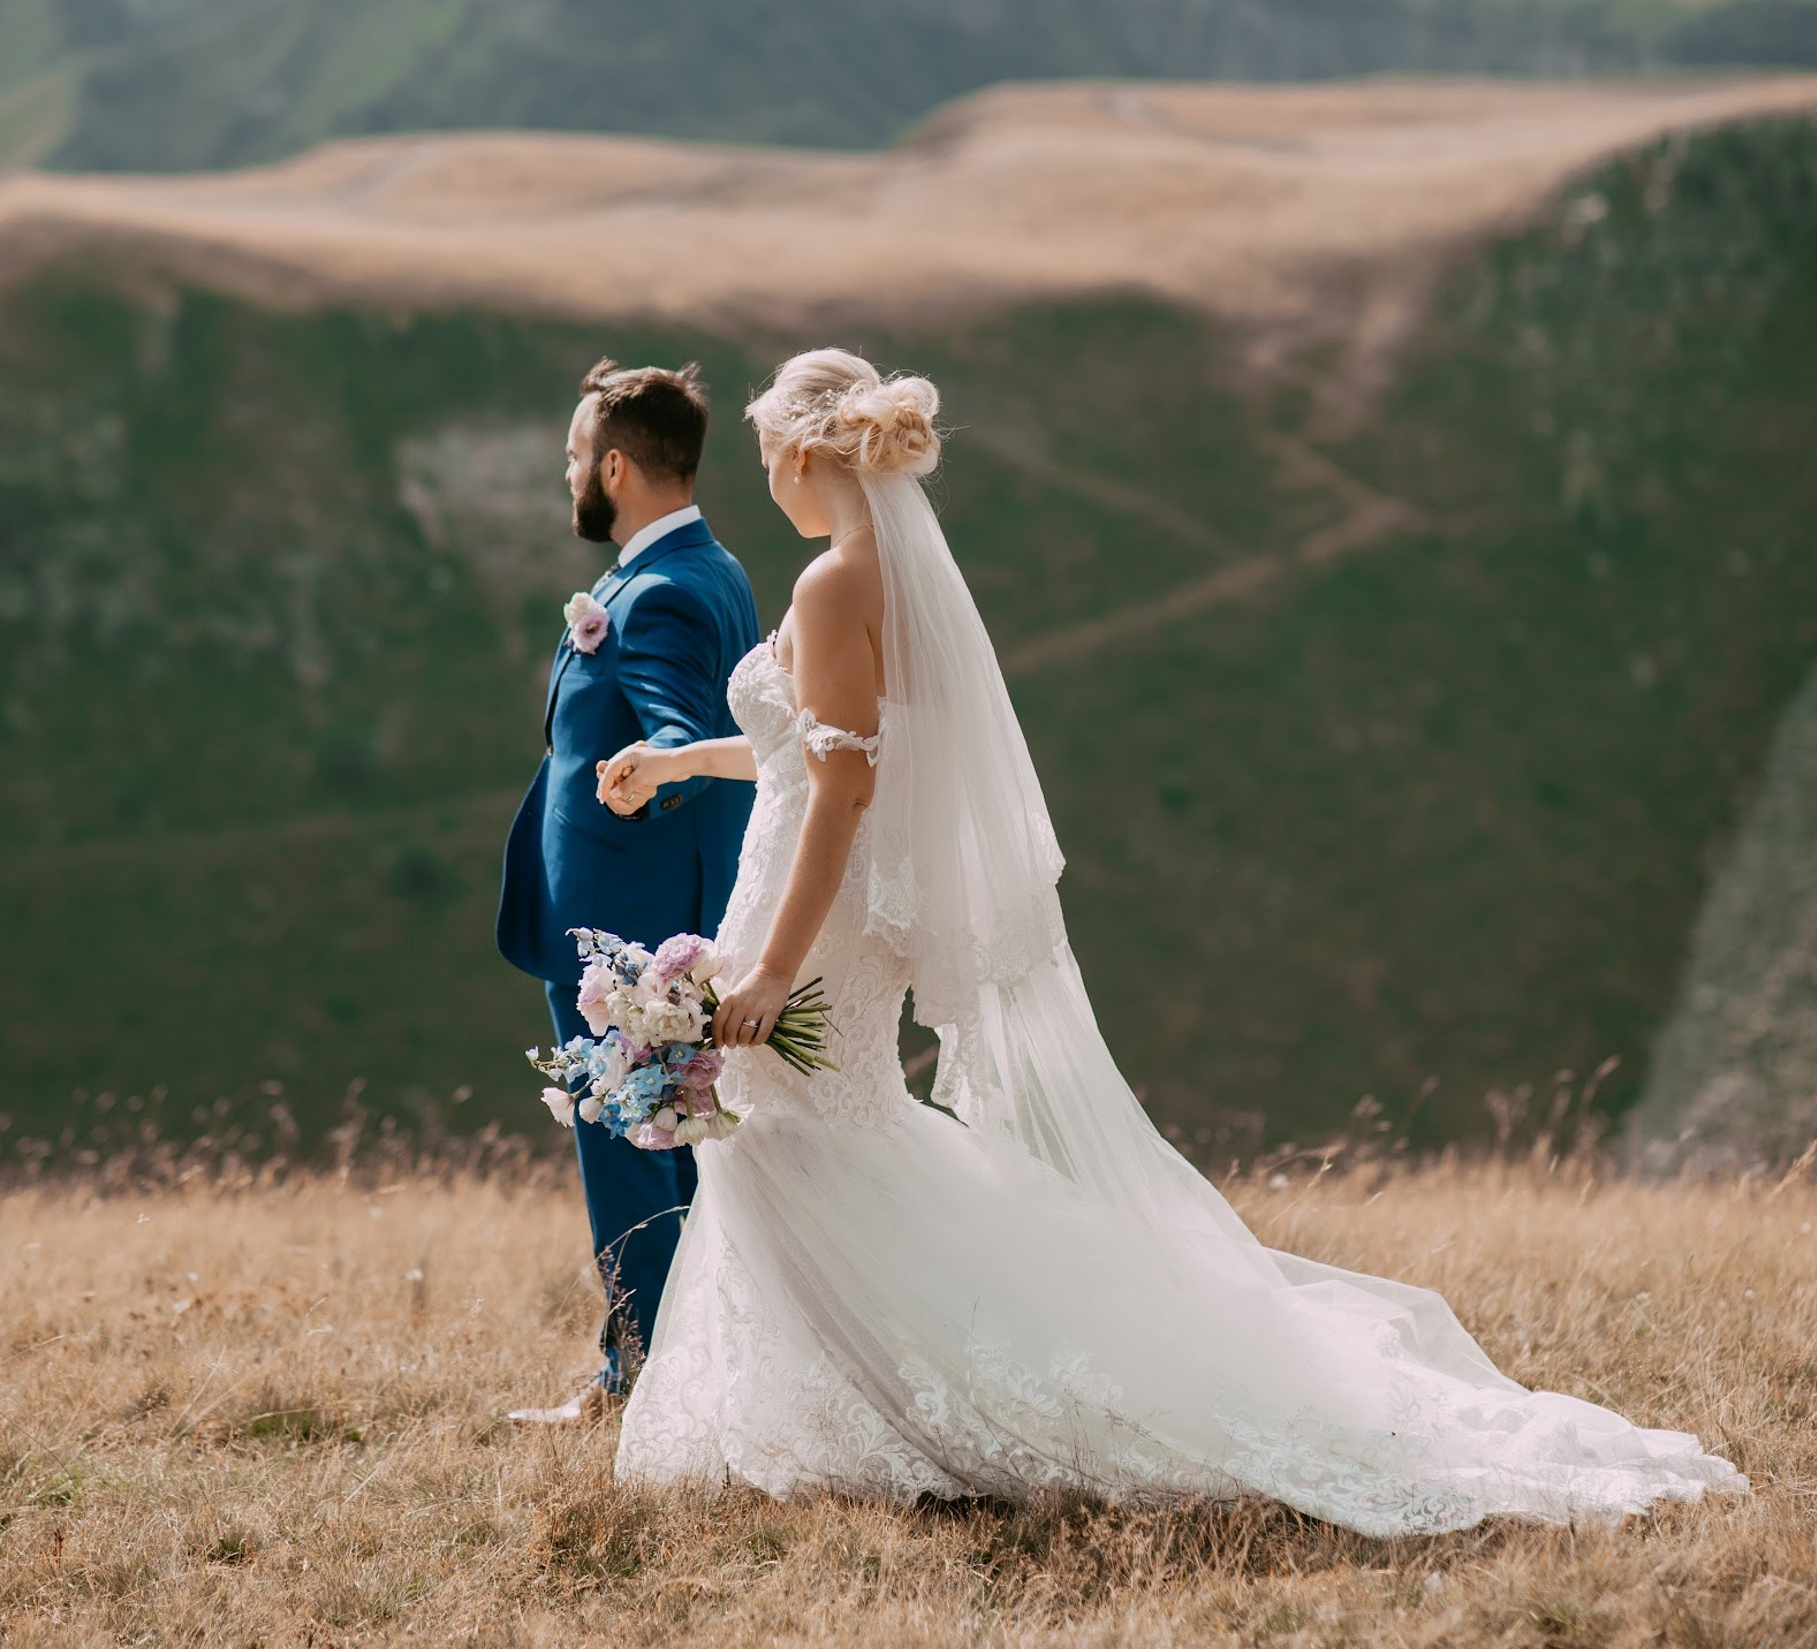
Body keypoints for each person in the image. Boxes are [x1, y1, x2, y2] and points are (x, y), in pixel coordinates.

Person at [591, 347, 1747, 1527]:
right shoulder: (879, 577)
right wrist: (686, 757)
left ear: (795, 452)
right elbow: (814, 753)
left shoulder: (836, 583)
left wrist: (779, 966)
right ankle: (836, 1401)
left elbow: (842, 796)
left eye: (762, 457)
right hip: (808, 892)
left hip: (817, 910)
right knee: (800, 1130)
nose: (764, 480)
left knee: (799, 1129)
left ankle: (931, 1400)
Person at [497, 358, 758, 1421]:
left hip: (630, 935)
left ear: (615, 464)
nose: (566, 476)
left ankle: (641, 1382)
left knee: (633, 1155)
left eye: (573, 457)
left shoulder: (658, 594)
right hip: (628, 912)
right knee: (666, 1155)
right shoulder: (698, 568)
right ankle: (677, 1368)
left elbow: (685, 738)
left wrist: (655, 771)